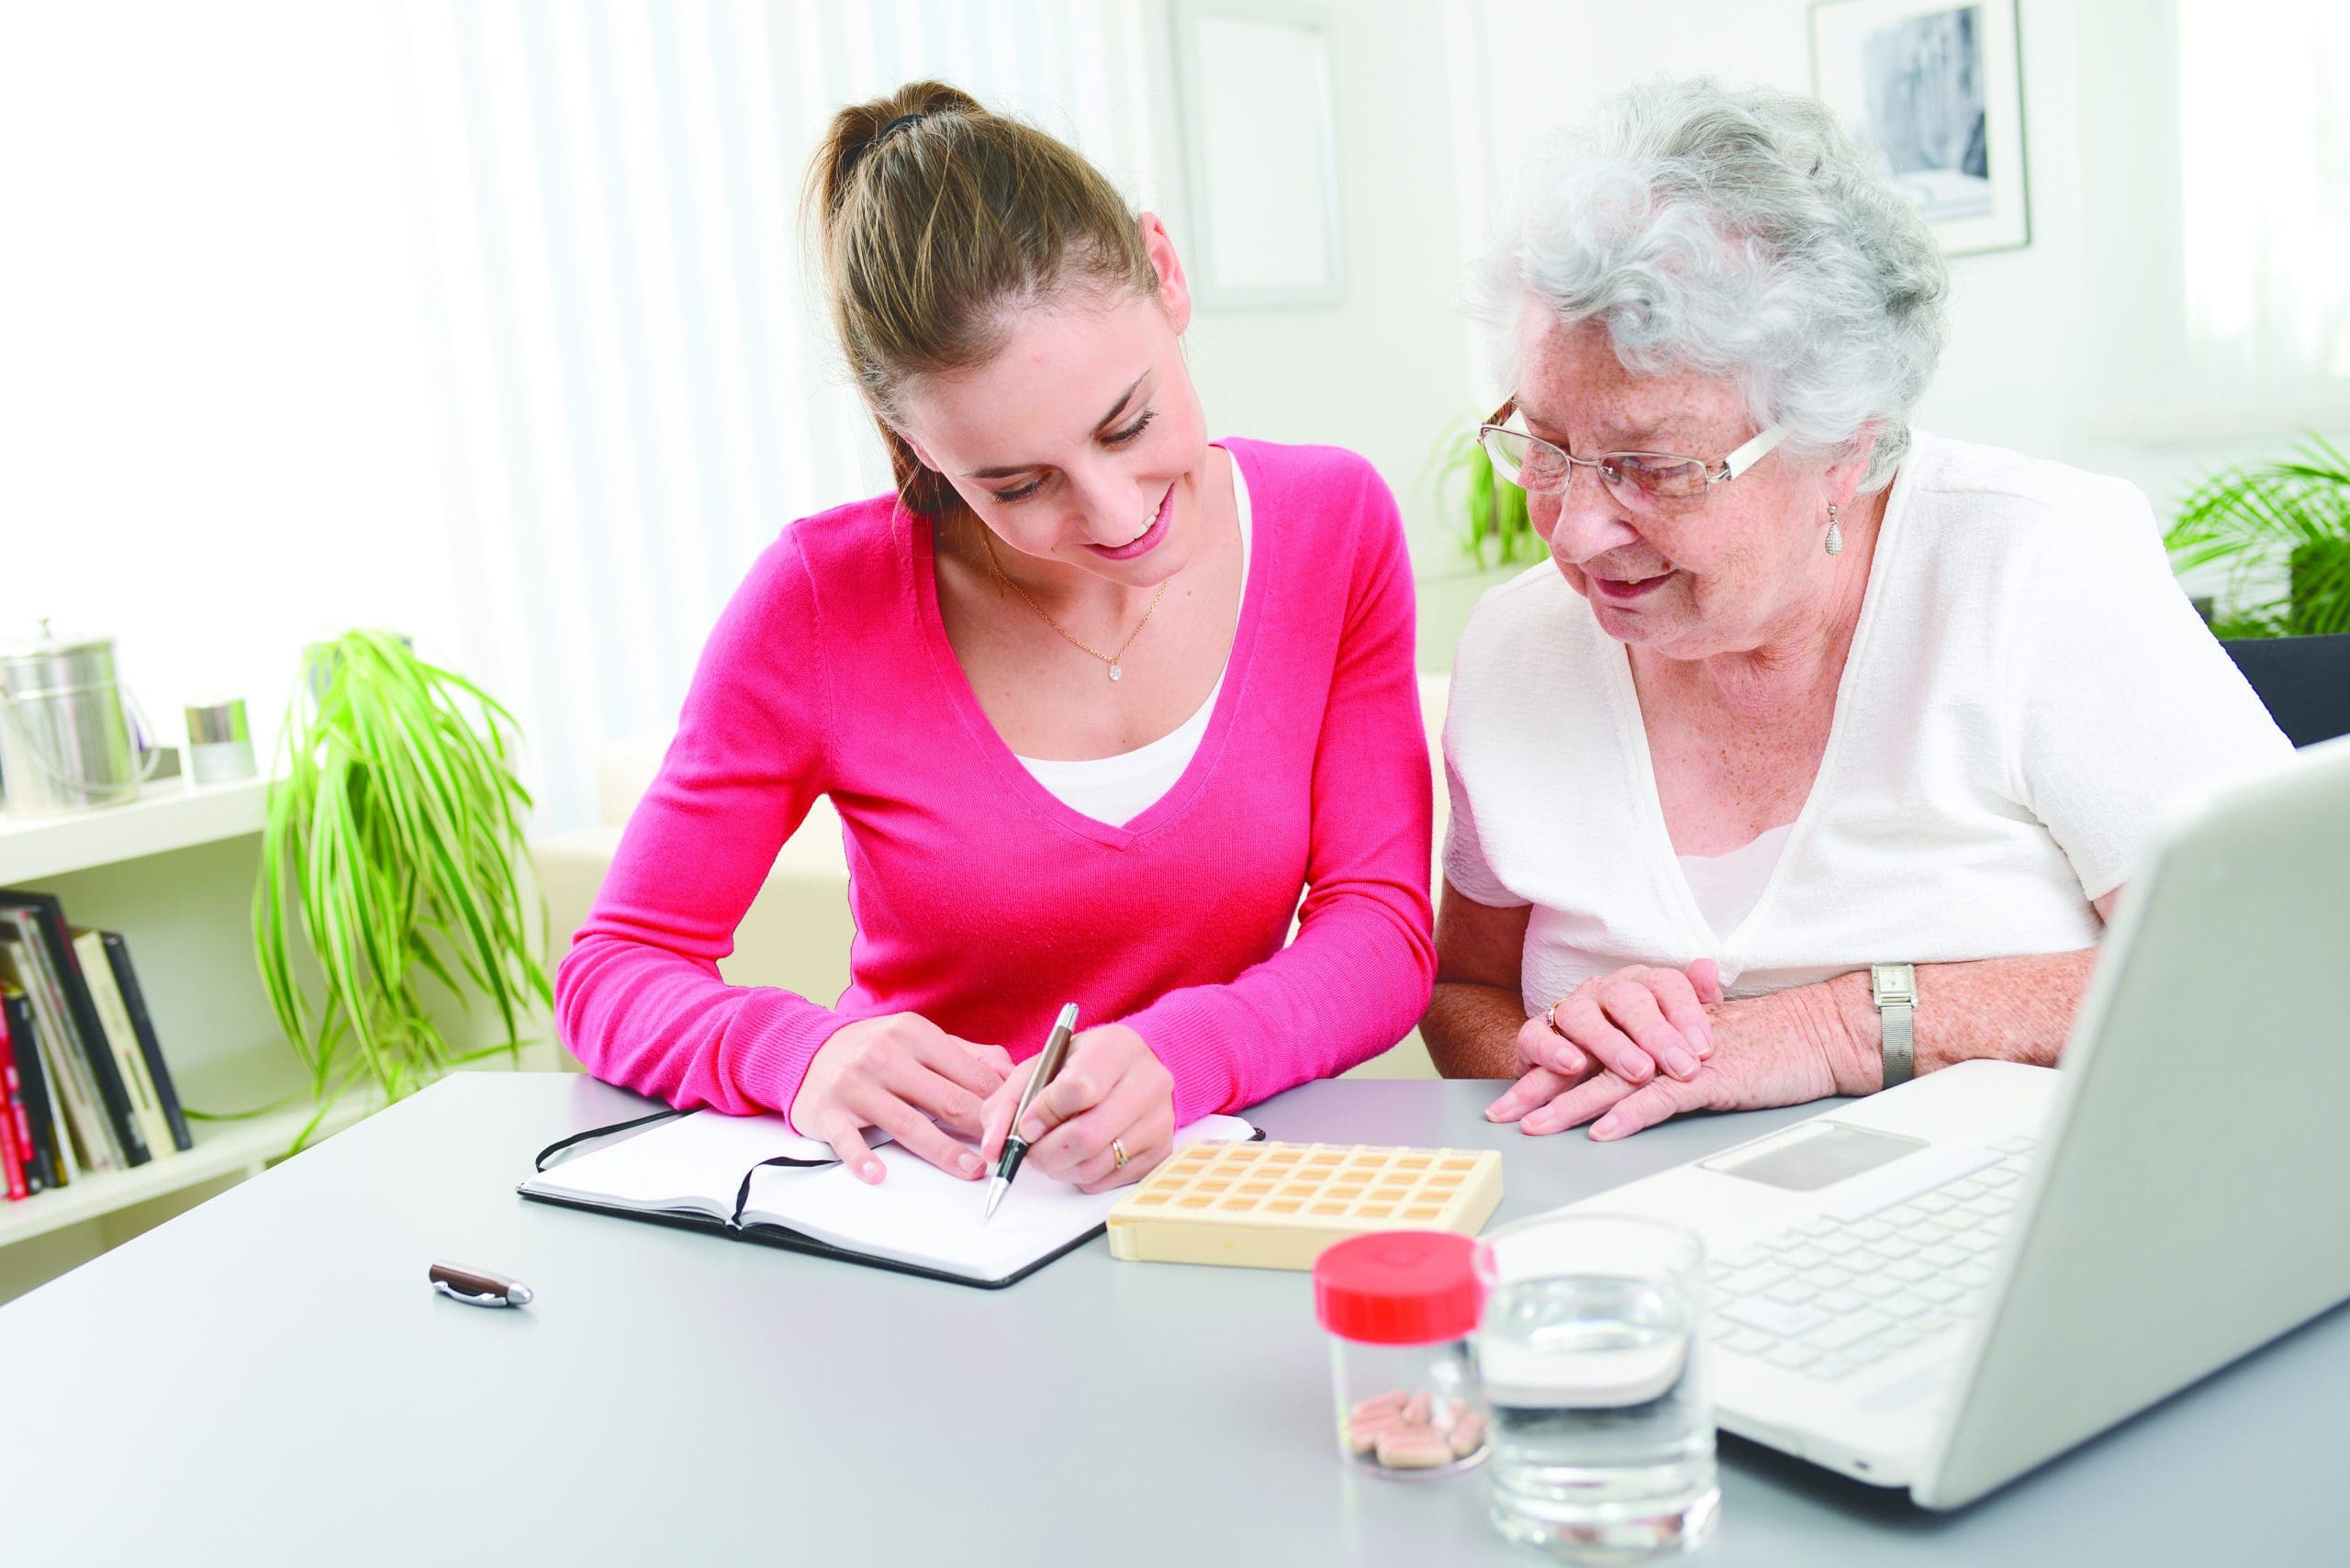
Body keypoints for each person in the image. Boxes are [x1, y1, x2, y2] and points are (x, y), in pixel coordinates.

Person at [557, 82, 1434, 1191]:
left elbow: (1383, 932)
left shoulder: (1332, 525)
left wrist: (1186, 1052)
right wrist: (802, 1050)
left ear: (1163, 273)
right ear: (914, 444)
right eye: (1017, 483)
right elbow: (615, 968)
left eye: (1130, 423)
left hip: (1223, 1192)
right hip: (926, 1216)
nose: (1117, 515)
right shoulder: (820, 600)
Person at [1423, 77, 2290, 1140]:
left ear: (1842, 447)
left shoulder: (2032, 566)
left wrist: (1837, 1028)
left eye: (1652, 467)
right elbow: (1463, 990)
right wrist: (1557, 1044)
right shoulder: (1518, 650)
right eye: (1547, 445)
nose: (1572, 531)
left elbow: (2283, 951)